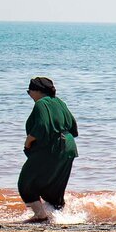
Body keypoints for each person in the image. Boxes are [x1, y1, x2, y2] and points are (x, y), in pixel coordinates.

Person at [18, 77, 78, 222]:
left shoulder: (40, 104)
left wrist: (28, 141)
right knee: (55, 185)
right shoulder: (60, 103)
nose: (29, 94)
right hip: (69, 147)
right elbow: (73, 127)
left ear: (38, 91)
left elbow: (42, 126)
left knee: (26, 182)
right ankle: (59, 217)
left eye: (29, 91)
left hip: (53, 146)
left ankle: (40, 216)